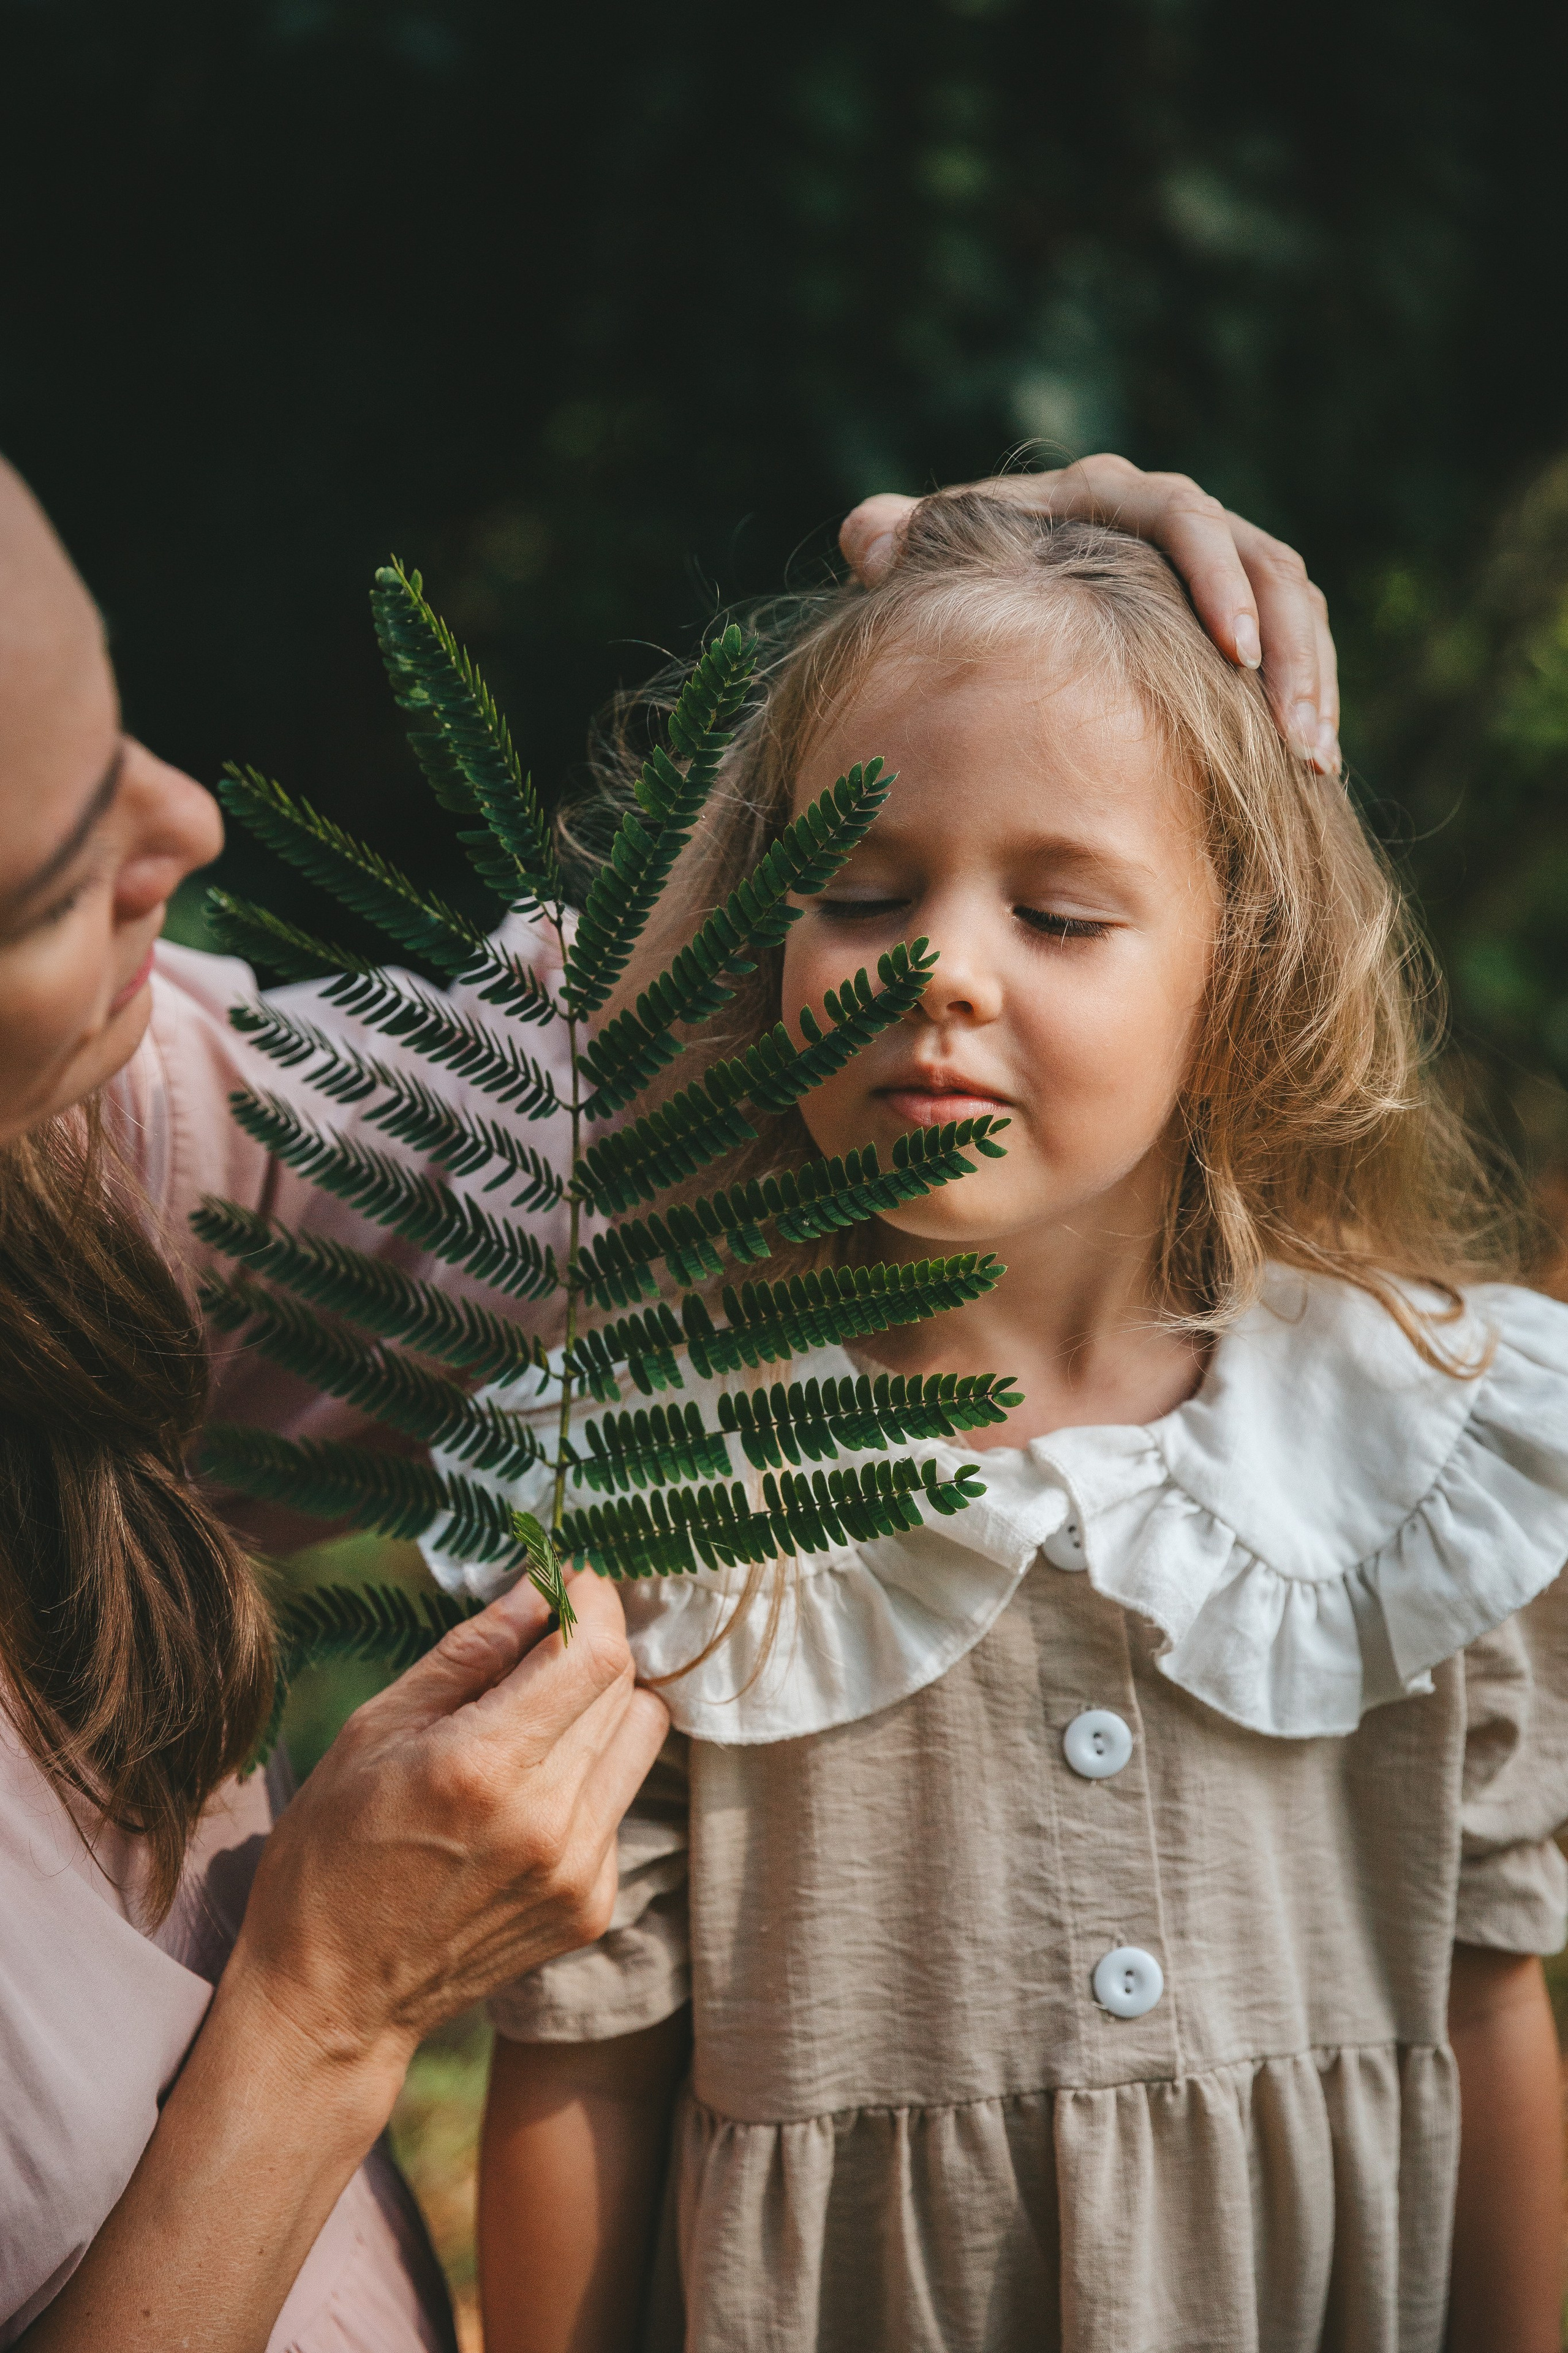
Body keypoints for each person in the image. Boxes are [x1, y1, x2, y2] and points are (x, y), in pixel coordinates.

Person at [0, 451, 1329, 2349]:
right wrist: (324, 2013)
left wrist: (981, 645)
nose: (188, 822)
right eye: (54, 866)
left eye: (115, 730)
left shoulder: (92, 1151)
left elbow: (626, 1115)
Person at [471, 496, 1568, 2353]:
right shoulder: (673, 1473)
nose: (935, 970)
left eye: (1055, 912)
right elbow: (583, 2069)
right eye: (865, 895)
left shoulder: (1418, 1451)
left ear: (1241, 975)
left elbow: (1489, 2011)